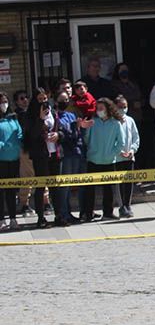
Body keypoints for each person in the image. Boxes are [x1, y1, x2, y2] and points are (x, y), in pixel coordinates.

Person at [80, 98, 123, 222]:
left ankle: (108, 212)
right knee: (90, 189)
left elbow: (120, 142)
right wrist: (91, 150)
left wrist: (112, 153)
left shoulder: (115, 123)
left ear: (108, 109)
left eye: (101, 108)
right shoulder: (93, 122)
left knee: (109, 189)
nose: (99, 111)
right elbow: (86, 139)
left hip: (109, 160)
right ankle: (88, 213)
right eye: (97, 108)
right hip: (93, 159)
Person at [24, 92, 60, 229]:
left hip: (54, 153)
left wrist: (58, 134)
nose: (43, 102)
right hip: (40, 154)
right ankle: (41, 217)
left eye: (45, 99)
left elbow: (59, 128)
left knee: (55, 187)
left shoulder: (53, 113)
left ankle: (58, 215)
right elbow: (32, 134)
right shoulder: (31, 116)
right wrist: (40, 119)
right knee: (41, 186)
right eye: (40, 99)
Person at [52, 94, 84, 226]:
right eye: (61, 100)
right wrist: (69, 131)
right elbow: (61, 133)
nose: (64, 102)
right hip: (64, 154)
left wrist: (71, 130)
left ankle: (69, 213)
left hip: (75, 152)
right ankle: (62, 214)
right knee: (63, 187)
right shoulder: (55, 116)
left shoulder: (71, 115)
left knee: (70, 185)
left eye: (66, 100)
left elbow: (76, 133)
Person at [112, 95, 140, 218]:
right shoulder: (112, 121)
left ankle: (127, 204)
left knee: (128, 182)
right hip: (116, 158)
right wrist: (119, 152)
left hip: (129, 157)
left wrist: (132, 150)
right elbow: (110, 140)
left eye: (125, 107)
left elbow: (135, 137)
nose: (122, 109)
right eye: (120, 107)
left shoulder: (130, 120)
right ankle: (121, 206)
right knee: (118, 184)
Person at [0, 93, 23, 231]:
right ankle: (1, 218)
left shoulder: (13, 118)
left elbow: (19, 133)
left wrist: (19, 142)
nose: (4, 104)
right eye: (1, 102)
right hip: (1, 160)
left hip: (14, 159)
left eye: (5, 101)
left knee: (11, 190)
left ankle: (13, 218)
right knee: (1, 191)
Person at [12, 90, 33, 215]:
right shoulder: (16, 115)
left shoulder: (32, 112)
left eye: (26, 97)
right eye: (21, 98)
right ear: (16, 101)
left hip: (36, 148)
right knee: (26, 176)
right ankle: (24, 203)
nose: (25, 100)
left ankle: (46, 202)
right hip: (24, 148)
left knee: (39, 175)